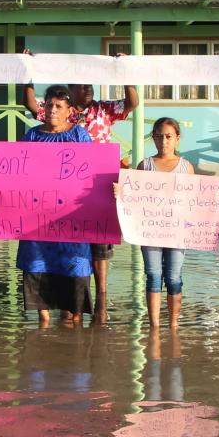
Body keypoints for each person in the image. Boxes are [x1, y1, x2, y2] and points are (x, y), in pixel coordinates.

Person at [23, 68, 140, 309]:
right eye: (82, 86)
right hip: (61, 192)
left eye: (90, 86)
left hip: (96, 186)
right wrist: (29, 72)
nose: (87, 90)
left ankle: (102, 299)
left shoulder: (103, 109)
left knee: (99, 246)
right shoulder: (59, 110)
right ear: (70, 91)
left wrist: (126, 73)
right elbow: (33, 105)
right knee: (70, 246)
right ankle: (69, 306)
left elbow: (132, 102)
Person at [0, 85, 95, 327]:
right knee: (39, 268)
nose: (53, 110)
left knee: (75, 271)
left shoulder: (80, 136)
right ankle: (44, 327)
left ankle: (74, 327)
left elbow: (92, 172)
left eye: (59, 106)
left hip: (72, 220)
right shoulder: (32, 136)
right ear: (43, 107)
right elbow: (15, 173)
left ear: (69, 110)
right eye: (49, 105)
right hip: (38, 220)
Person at [126, 117, 219, 329]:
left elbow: (198, 199)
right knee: (153, 274)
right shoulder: (145, 165)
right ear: (152, 138)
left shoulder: (186, 167)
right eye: (159, 136)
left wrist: (218, 195)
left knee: (173, 276)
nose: (164, 141)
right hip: (150, 231)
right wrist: (120, 192)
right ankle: (154, 325)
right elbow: (132, 196)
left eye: (168, 136)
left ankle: (173, 324)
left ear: (177, 139)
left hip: (178, 231)